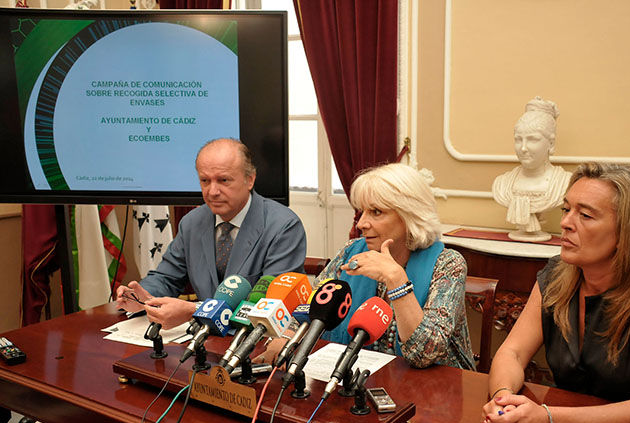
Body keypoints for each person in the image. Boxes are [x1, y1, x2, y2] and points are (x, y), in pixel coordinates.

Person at [482, 162, 630, 423]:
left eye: (585, 215)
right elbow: (511, 353)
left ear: (627, 232)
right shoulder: (555, 276)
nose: (565, 223)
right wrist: (503, 399)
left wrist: (549, 419)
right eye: (566, 209)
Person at [264, 163, 475, 370]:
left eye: (376, 212)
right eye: (361, 211)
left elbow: (424, 354)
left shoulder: (448, 264)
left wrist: (396, 279)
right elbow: (314, 306)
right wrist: (289, 335)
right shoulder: (350, 252)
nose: (361, 223)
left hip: (435, 391)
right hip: (354, 378)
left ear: (409, 215)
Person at [115, 138, 307, 329]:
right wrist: (142, 295)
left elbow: (271, 307)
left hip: (254, 342)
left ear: (250, 179)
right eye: (205, 181)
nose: (212, 191)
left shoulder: (284, 226)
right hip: (202, 341)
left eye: (223, 180)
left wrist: (194, 310)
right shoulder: (192, 222)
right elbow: (167, 277)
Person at [492, 96, 571, 241]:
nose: (523, 148)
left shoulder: (564, 183)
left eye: (533, 139)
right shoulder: (503, 184)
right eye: (518, 139)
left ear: (551, 144)